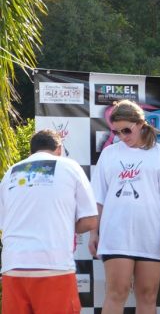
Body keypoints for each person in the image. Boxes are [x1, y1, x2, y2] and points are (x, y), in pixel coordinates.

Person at [89, 99, 160, 313]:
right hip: (115, 235)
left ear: (140, 124)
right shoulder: (109, 153)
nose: (122, 136)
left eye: (126, 130)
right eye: (117, 132)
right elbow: (98, 198)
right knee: (116, 293)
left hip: (151, 235)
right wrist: (94, 233)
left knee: (148, 296)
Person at [0, 129, 98, 314]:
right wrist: (66, 227)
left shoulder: (11, 172)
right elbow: (91, 220)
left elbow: (4, 223)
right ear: (59, 149)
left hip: (13, 266)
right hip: (54, 265)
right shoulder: (70, 166)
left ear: (31, 153)